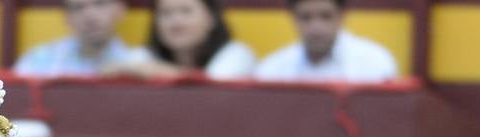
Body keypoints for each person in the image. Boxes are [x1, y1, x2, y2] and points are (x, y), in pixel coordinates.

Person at [103, 0, 254, 81]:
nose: (176, 23)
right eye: (166, 13)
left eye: (186, 11)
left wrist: (154, 71)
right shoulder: (143, 55)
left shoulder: (237, 53)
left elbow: (212, 88)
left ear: (212, 19)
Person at [254, 0, 397, 82]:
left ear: (342, 16)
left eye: (326, 16)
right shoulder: (271, 68)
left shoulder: (375, 62)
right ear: (293, 18)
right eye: (305, 17)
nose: (316, 27)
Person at [12, 0, 139, 78]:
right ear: (67, 17)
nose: (89, 15)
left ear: (121, 9)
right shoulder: (38, 61)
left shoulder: (139, 63)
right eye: (78, 7)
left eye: (100, 3)